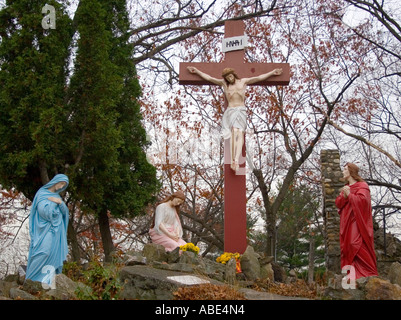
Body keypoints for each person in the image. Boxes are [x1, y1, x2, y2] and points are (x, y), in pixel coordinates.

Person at [187, 66, 283, 171]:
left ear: (234, 74)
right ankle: (234, 159)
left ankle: (236, 159)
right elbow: (209, 78)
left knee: (240, 132)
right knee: (234, 132)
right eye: (227, 77)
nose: (229, 78)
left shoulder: (243, 81)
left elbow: (259, 78)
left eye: (230, 76)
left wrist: (272, 72)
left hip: (241, 110)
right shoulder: (224, 84)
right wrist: (196, 71)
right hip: (231, 110)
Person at [335, 163, 378, 279]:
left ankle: (368, 270)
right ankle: (351, 273)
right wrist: (344, 196)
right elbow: (338, 203)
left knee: (355, 243)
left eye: (345, 169)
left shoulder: (362, 186)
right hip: (346, 221)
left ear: (351, 171)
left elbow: (364, 202)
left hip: (357, 220)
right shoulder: (345, 187)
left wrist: (350, 195)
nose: (343, 172)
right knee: (347, 245)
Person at [25, 174, 69, 286]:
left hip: (56, 230)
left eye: (63, 186)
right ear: (56, 181)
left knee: (52, 255)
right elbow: (41, 210)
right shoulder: (42, 193)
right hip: (44, 229)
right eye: (61, 184)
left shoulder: (58, 197)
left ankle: (48, 283)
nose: (61, 187)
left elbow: (65, 213)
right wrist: (52, 211)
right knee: (43, 252)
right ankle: (31, 279)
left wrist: (60, 203)